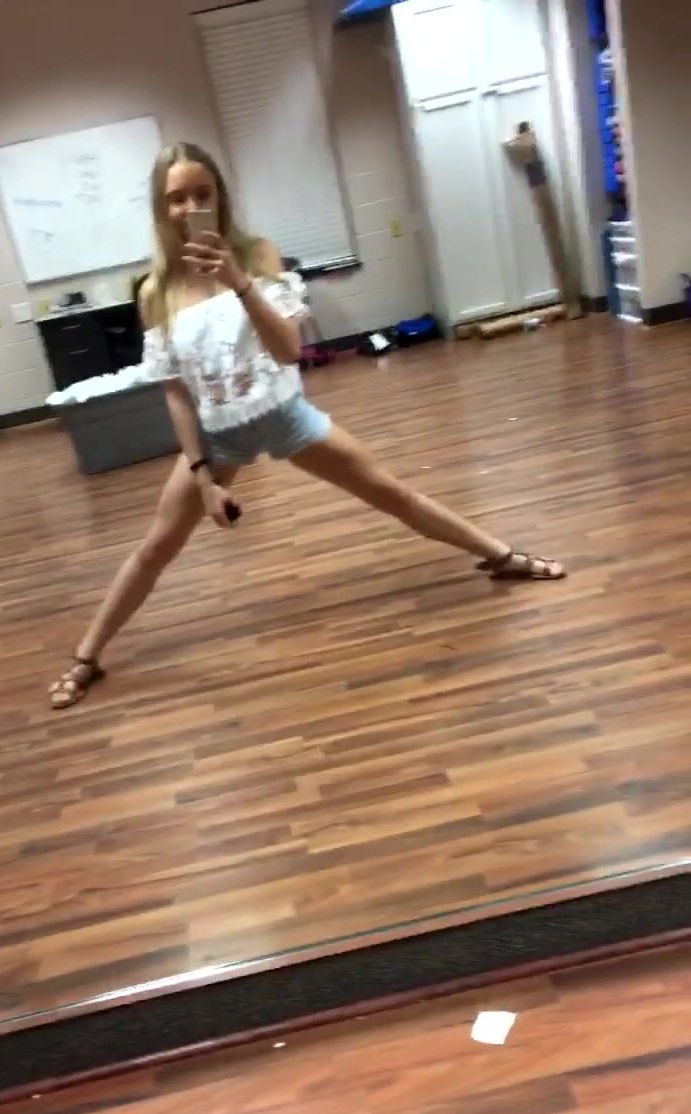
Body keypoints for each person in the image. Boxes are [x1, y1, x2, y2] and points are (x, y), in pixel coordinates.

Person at [49, 141, 565, 709]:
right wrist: (202, 477)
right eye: (176, 198)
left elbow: (288, 350)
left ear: (219, 196)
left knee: (391, 492)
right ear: (160, 207)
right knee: (156, 547)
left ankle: (501, 555)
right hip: (218, 434)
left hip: (284, 413)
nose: (190, 207)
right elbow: (175, 392)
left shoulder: (257, 254)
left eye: (202, 193)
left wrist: (239, 281)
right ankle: (86, 657)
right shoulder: (156, 291)